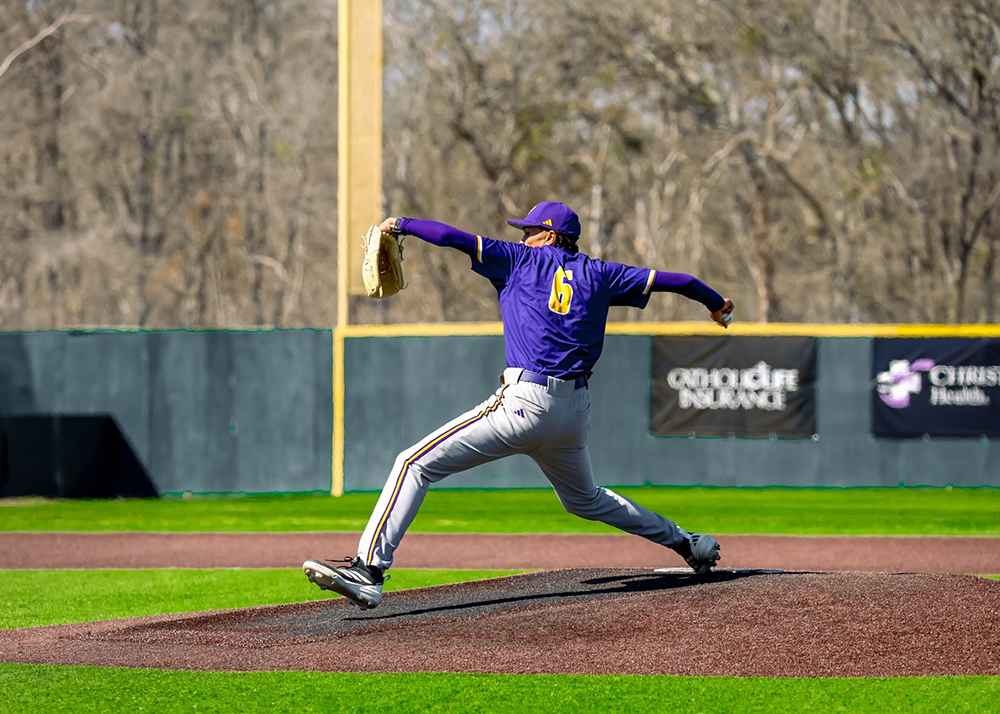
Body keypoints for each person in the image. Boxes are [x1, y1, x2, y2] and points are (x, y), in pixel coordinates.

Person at [303, 201, 735, 610]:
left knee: (413, 464)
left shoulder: (517, 260)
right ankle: (687, 543)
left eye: (529, 231)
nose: (523, 237)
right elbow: (680, 281)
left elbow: (453, 237)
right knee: (585, 500)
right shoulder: (602, 274)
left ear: (550, 236)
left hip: (525, 403)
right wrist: (716, 304)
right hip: (573, 412)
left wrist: (401, 225)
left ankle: (369, 571)